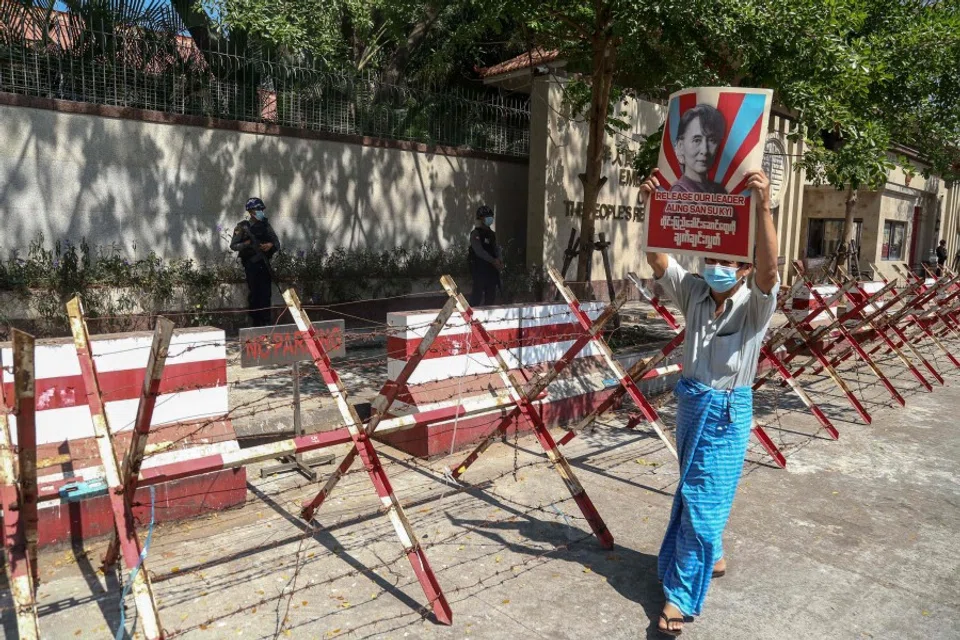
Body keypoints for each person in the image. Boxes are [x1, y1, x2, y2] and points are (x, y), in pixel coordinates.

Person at [639, 169, 779, 636]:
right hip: (692, 406)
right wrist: (653, 208)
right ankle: (712, 553)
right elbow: (658, 258)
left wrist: (763, 208)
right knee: (695, 488)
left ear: (742, 268)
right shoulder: (694, 292)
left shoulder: (756, 303)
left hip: (727, 412)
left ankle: (678, 597)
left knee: (701, 499)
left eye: (726, 260)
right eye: (709, 257)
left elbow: (770, 270)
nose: (715, 265)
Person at [230, 197, 280, 326]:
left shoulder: (265, 226)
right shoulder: (242, 227)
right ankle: (255, 324)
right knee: (254, 295)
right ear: (251, 211)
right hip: (251, 265)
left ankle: (266, 323)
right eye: (258, 209)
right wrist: (246, 243)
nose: (260, 212)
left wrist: (270, 245)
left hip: (264, 264)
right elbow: (234, 246)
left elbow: (276, 243)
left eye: (261, 209)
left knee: (266, 295)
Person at [671, 104, 728, 195]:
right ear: (681, 146)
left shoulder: (719, 191)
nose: (705, 150)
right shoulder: (679, 193)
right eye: (696, 140)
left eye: (712, 140)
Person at [468, 205, 503, 306]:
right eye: (486, 216)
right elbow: (479, 251)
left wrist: (500, 260)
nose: (489, 219)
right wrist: (493, 260)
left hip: (492, 271)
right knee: (476, 297)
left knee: (491, 297)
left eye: (490, 216)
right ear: (481, 218)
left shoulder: (492, 234)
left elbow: (497, 248)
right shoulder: (475, 234)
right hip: (480, 270)